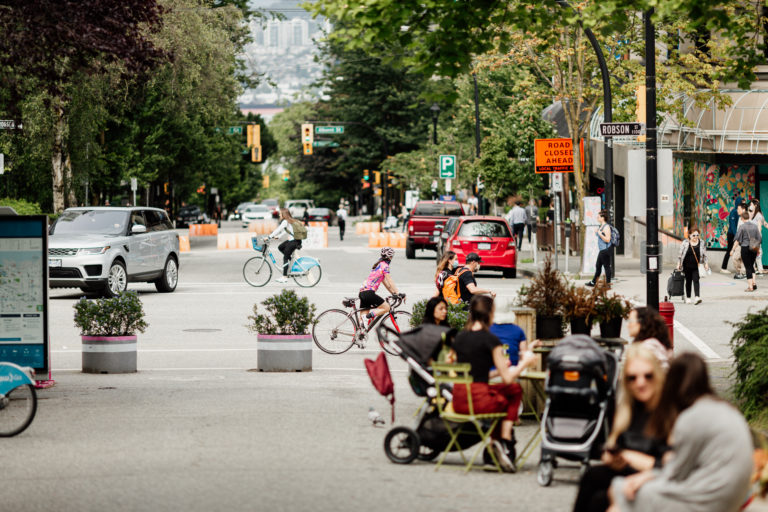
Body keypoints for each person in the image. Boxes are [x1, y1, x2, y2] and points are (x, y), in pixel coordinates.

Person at [608, 353, 753, 512]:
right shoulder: (726, 409)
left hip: (707, 499)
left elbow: (677, 473)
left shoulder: (691, 417)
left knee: (619, 490)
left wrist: (645, 477)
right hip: (734, 495)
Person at [573, 344, 668, 512]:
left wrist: (629, 457)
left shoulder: (670, 412)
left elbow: (676, 465)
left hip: (661, 479)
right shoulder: (628, 410)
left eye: (648, 376)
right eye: (632, 378)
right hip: (628, 472)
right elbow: (613, 446)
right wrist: (611, 456)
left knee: (600, 500)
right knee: (592, 477)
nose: (640, 383)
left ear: (658, 376)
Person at [450, 295, 539, 472]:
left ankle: (497, 448)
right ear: (491, 314)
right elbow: (507, 378)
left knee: (509, 391)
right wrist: (524, 363)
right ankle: (502, 441)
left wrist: (497, 371)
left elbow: (470, 372)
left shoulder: (459, 337)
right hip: (478, 400)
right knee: (511, 391)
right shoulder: (490, 340)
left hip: (459, 398)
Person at [359, 247, 403, 323]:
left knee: (362, 324)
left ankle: (359, 333)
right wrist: (398, 293)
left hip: (363, 293)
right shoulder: (385, 266)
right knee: (386, 307)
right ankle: (367, 316)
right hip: (369, 293)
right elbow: (390, 280)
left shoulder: (378, 265)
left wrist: (393, 293)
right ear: (390, 257)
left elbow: (386, 284)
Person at [268, 208, 305, 283]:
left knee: (285, 257)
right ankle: (290, 260)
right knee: (280, 247)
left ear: (283, 214)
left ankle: (284, 277)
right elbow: (287, 230)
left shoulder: (285, 221)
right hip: (295, 241)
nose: (279, 215)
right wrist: (279, 236)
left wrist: (269, 237)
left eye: (280, 213)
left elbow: (278, 229)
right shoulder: (289, 220)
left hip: (294, 241)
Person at [675, 227, 709, 304]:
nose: (696, 237)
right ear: (689, 235)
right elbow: (680, 255)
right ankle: (688, 297)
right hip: (686, 266)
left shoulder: (702, 242)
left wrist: (706, 263)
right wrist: (678, 264)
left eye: (697, 235)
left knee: (696, 280)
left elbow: (705, 255)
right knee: (688, 281)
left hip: (697, 266)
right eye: (694, 235)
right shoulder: (685, 243)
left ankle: (697, 297)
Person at [733, 210, 762, 292]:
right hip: (754, 248)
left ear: (742, 218)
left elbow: (737, 238)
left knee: (747, 267)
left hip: (745, 248)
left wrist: (733, 248)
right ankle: (754, 283)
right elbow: (759, 238)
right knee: (752, 265)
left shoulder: (742, 227)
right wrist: (758, 249)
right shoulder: (755, 226)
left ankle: (750, 287)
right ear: (748, 217)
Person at [586, 210, 613, 287]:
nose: (597, 218)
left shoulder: (606, 227)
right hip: (602, 249)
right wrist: (598, 232)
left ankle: (608, 284)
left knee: (606, 266)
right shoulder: (601, 226)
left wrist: (600, 233)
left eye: (598, 217)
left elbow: (608, 239)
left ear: (603, 218)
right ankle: (593, 282)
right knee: (598, 266)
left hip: (605, 249)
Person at [720, 197, 743, 273]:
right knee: (729, 250)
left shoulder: (741, 212)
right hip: (732, 234)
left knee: (740, 250)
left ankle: (742, 268)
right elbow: (733, 226)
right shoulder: (733, 212)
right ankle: (723, 268)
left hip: (737, 234)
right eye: (742, 202)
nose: (743, 204)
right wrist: (736, 236)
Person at [749, 198, 767, 274]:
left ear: (755, 205)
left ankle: (759, 270)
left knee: (758, 253)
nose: (750, 206)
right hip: (752, 237)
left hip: (756, 237)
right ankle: (756, 269)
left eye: (751, 205)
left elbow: (761, 226)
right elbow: (765, 223)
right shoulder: (752, 213)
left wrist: (758, 239)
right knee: (754, 253)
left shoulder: (758, 215)